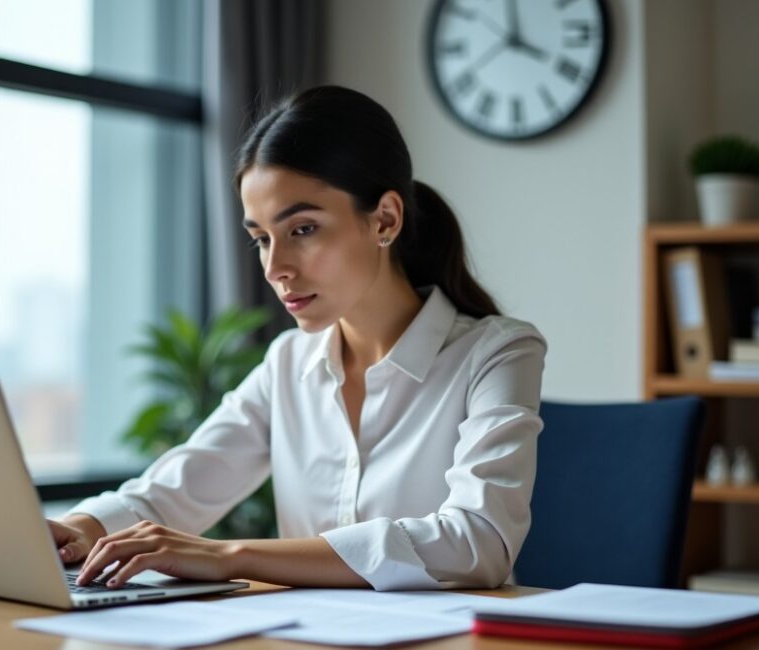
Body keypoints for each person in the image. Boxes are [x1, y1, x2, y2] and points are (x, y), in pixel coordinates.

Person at [47, 85, 547, 591]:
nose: (275, 267)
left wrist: (231, 556)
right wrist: (76, 530)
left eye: (302, 230)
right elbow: (176, 489)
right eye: (261, 239)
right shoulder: (288, 362)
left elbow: (477, 542)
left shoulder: (497, 353)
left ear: (385, 220)